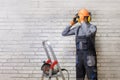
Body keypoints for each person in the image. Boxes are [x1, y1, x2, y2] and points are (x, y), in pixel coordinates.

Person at [62, 8, 98, 80]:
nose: (81, 19)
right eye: (80, 17)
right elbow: (64, 33)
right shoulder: (77, 29)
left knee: (92, 77)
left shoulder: (93, 27)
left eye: (82, 17)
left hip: (89, 57)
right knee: (79, 77)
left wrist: (82, 22)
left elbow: (87, 33)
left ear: (87, 18)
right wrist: (71, 23)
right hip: (79, 57)